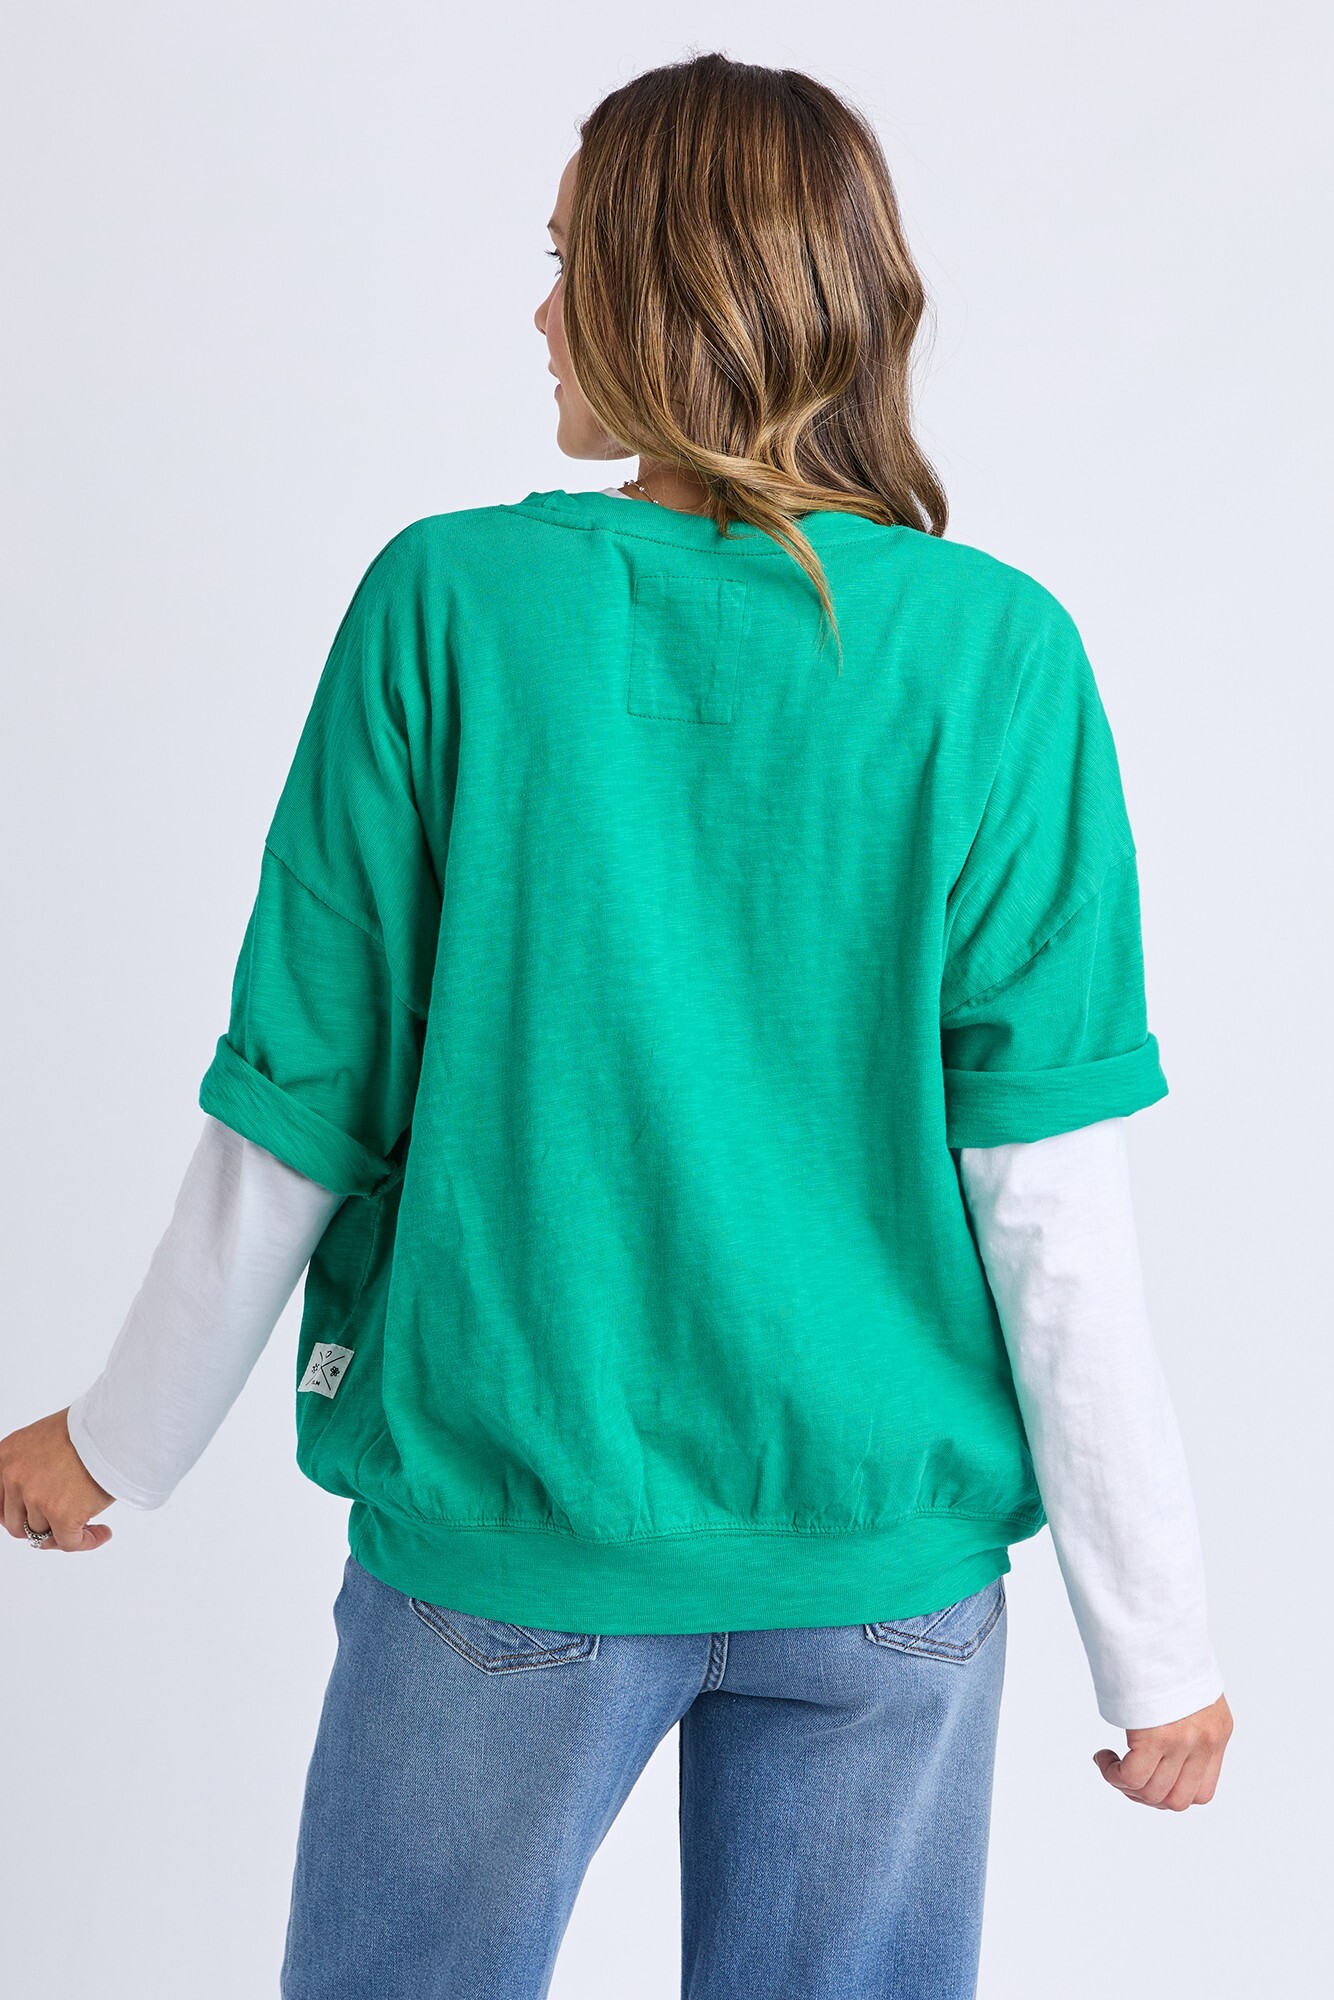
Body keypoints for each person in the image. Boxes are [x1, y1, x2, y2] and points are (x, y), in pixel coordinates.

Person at [0, 51, 1231, 2000]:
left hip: (517, 1536)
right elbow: (1046, 1196)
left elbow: (305, 1092)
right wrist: (1152, 1641)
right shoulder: (998, 650)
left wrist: (117, 1440)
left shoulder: (449, 608)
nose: (541, 312)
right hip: (881, 1573)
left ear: (674, 294)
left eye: (573, 261)